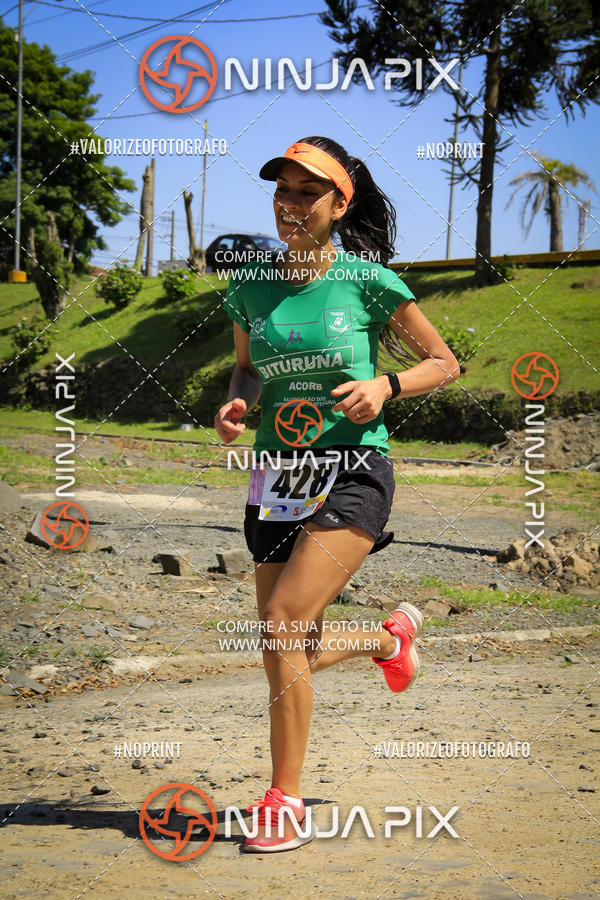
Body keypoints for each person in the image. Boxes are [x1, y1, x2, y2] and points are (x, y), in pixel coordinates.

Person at [215, 136, 460, 853]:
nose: (291, 205)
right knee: (279, 640)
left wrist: (385, 385)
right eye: (283, 191)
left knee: (284, 626)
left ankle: (283, 800)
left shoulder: (370, 283)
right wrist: (238, 403)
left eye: (307, 192)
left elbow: (444, 364)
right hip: (277, 474)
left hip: (354, 466)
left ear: (338, 204)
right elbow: (244, 371)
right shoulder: (251, 286)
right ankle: (388, 640)